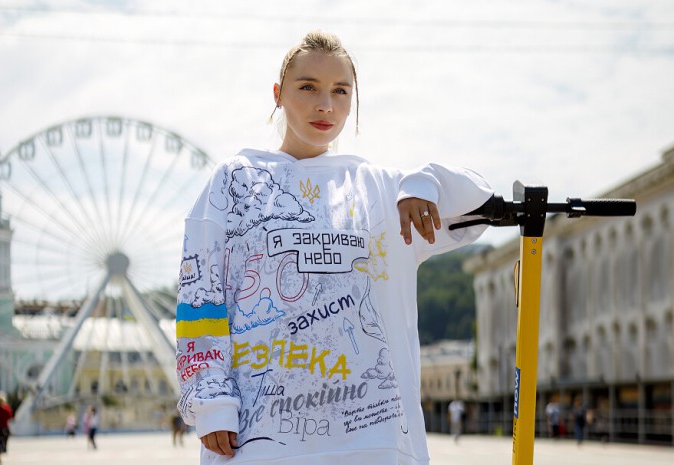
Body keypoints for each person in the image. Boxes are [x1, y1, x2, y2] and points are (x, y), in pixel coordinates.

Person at [175, 30, 492, 464]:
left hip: (374, 444)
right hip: (260, 441)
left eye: (341, 91)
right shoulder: (232, 183)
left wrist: (425, 182)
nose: (326, 105)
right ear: (278, 94)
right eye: (308, 87)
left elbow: (482, 201)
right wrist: (211, 404)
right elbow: (200, 299)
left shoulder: (383, 191)